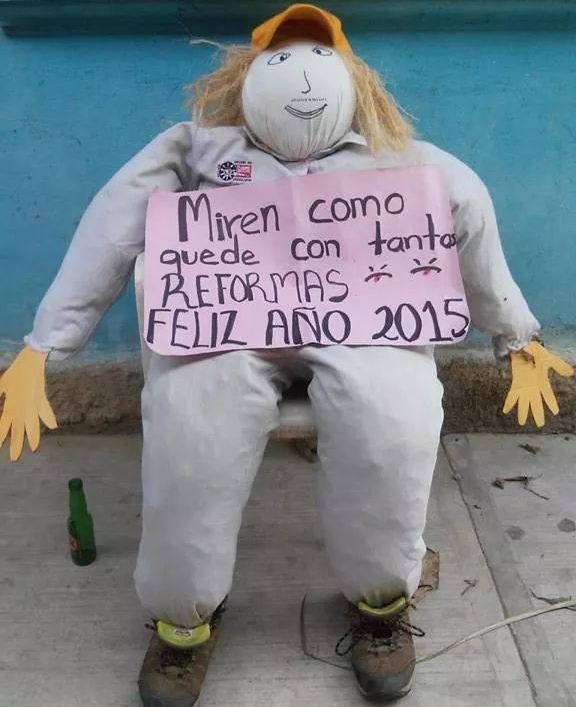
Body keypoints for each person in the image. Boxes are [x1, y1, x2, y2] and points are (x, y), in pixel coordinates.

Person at [1, 4, 572, 705]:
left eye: (320, 59)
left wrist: (516, 335)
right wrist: (45, 345)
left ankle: (382, 602)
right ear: (247, 74)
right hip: (226, 328)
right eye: (281, 60)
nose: (302, 79)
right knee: (190, 430)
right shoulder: (199, 149)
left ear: (354, 78)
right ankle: (183, 620)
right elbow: (112, 223)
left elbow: (469, 210)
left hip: (362, 324)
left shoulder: (396, 155)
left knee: (394, 421)